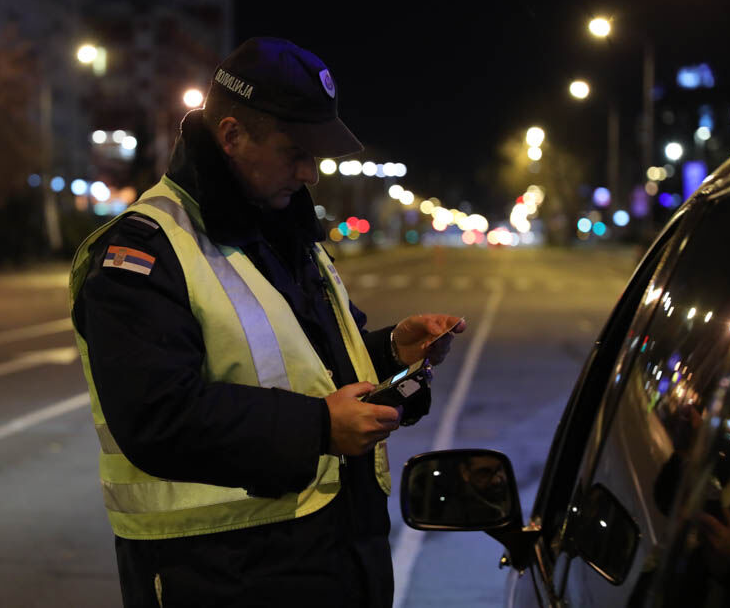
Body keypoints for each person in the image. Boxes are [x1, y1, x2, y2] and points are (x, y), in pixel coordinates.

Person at [70, 37, 465, 607]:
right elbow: (156, 416)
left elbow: (301, 369)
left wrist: (388, 354)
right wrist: (318, 429)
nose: (310, 172)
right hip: (218, 577)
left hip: (328, 563)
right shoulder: (145, 249)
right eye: (294, 151)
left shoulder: (284, 232)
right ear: (232, 136)